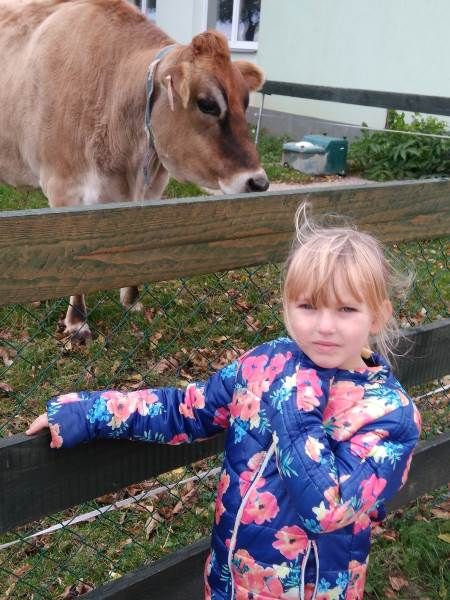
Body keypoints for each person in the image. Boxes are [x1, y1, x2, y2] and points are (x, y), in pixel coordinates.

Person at [26, 204, 421, 600]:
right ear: (286, 306)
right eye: (308, 306)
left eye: (346, 309)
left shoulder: (391, 417)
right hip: (227, 583)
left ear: (377, 316)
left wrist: (294, 407)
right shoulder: (264, 363)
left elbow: (326, 509)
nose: (325, 326)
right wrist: (86, 413)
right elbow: (186, 410)